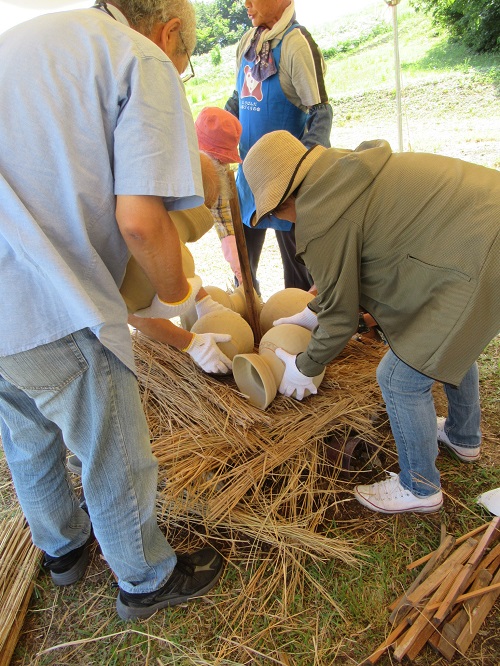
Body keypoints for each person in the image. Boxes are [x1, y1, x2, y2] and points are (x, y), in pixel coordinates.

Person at [0, 0, 224, 623]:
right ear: (170, 32)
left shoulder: (36, 40)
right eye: (183, 60)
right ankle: (145, 577)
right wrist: (179, 295)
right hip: (41, 294)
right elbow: (140, 223)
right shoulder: (137, 56)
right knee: (111, 441)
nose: (177, 70)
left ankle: (63, 550)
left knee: (25, 430)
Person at [243, 129, 500, 515]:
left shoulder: (321, 214)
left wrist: (305, 366)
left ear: (285, 199)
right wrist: (314, 312)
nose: (282, 221)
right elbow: (368, 266)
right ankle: (463, 436)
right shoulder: (345, 171)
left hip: (477, 253)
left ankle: (419, 488)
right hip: (481, 225)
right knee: (453, 337)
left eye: (276, 213)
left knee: (399, 377)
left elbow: (343, 319)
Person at [224, 0, 332, 295]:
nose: (246, 4)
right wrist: (219, 136)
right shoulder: (247, 42)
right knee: (242, 271)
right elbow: (237, 101)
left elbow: (320, 112)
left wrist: (302, 176)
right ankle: (253, 329)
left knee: (300, 273)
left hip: (287, 183)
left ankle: (301, 332)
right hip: (249, 177)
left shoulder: (297, 44)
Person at [195, 106, 245, 286]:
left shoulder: (218, 172)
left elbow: (224, 219)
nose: (221, 165)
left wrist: (241, 272)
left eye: (222, 162)